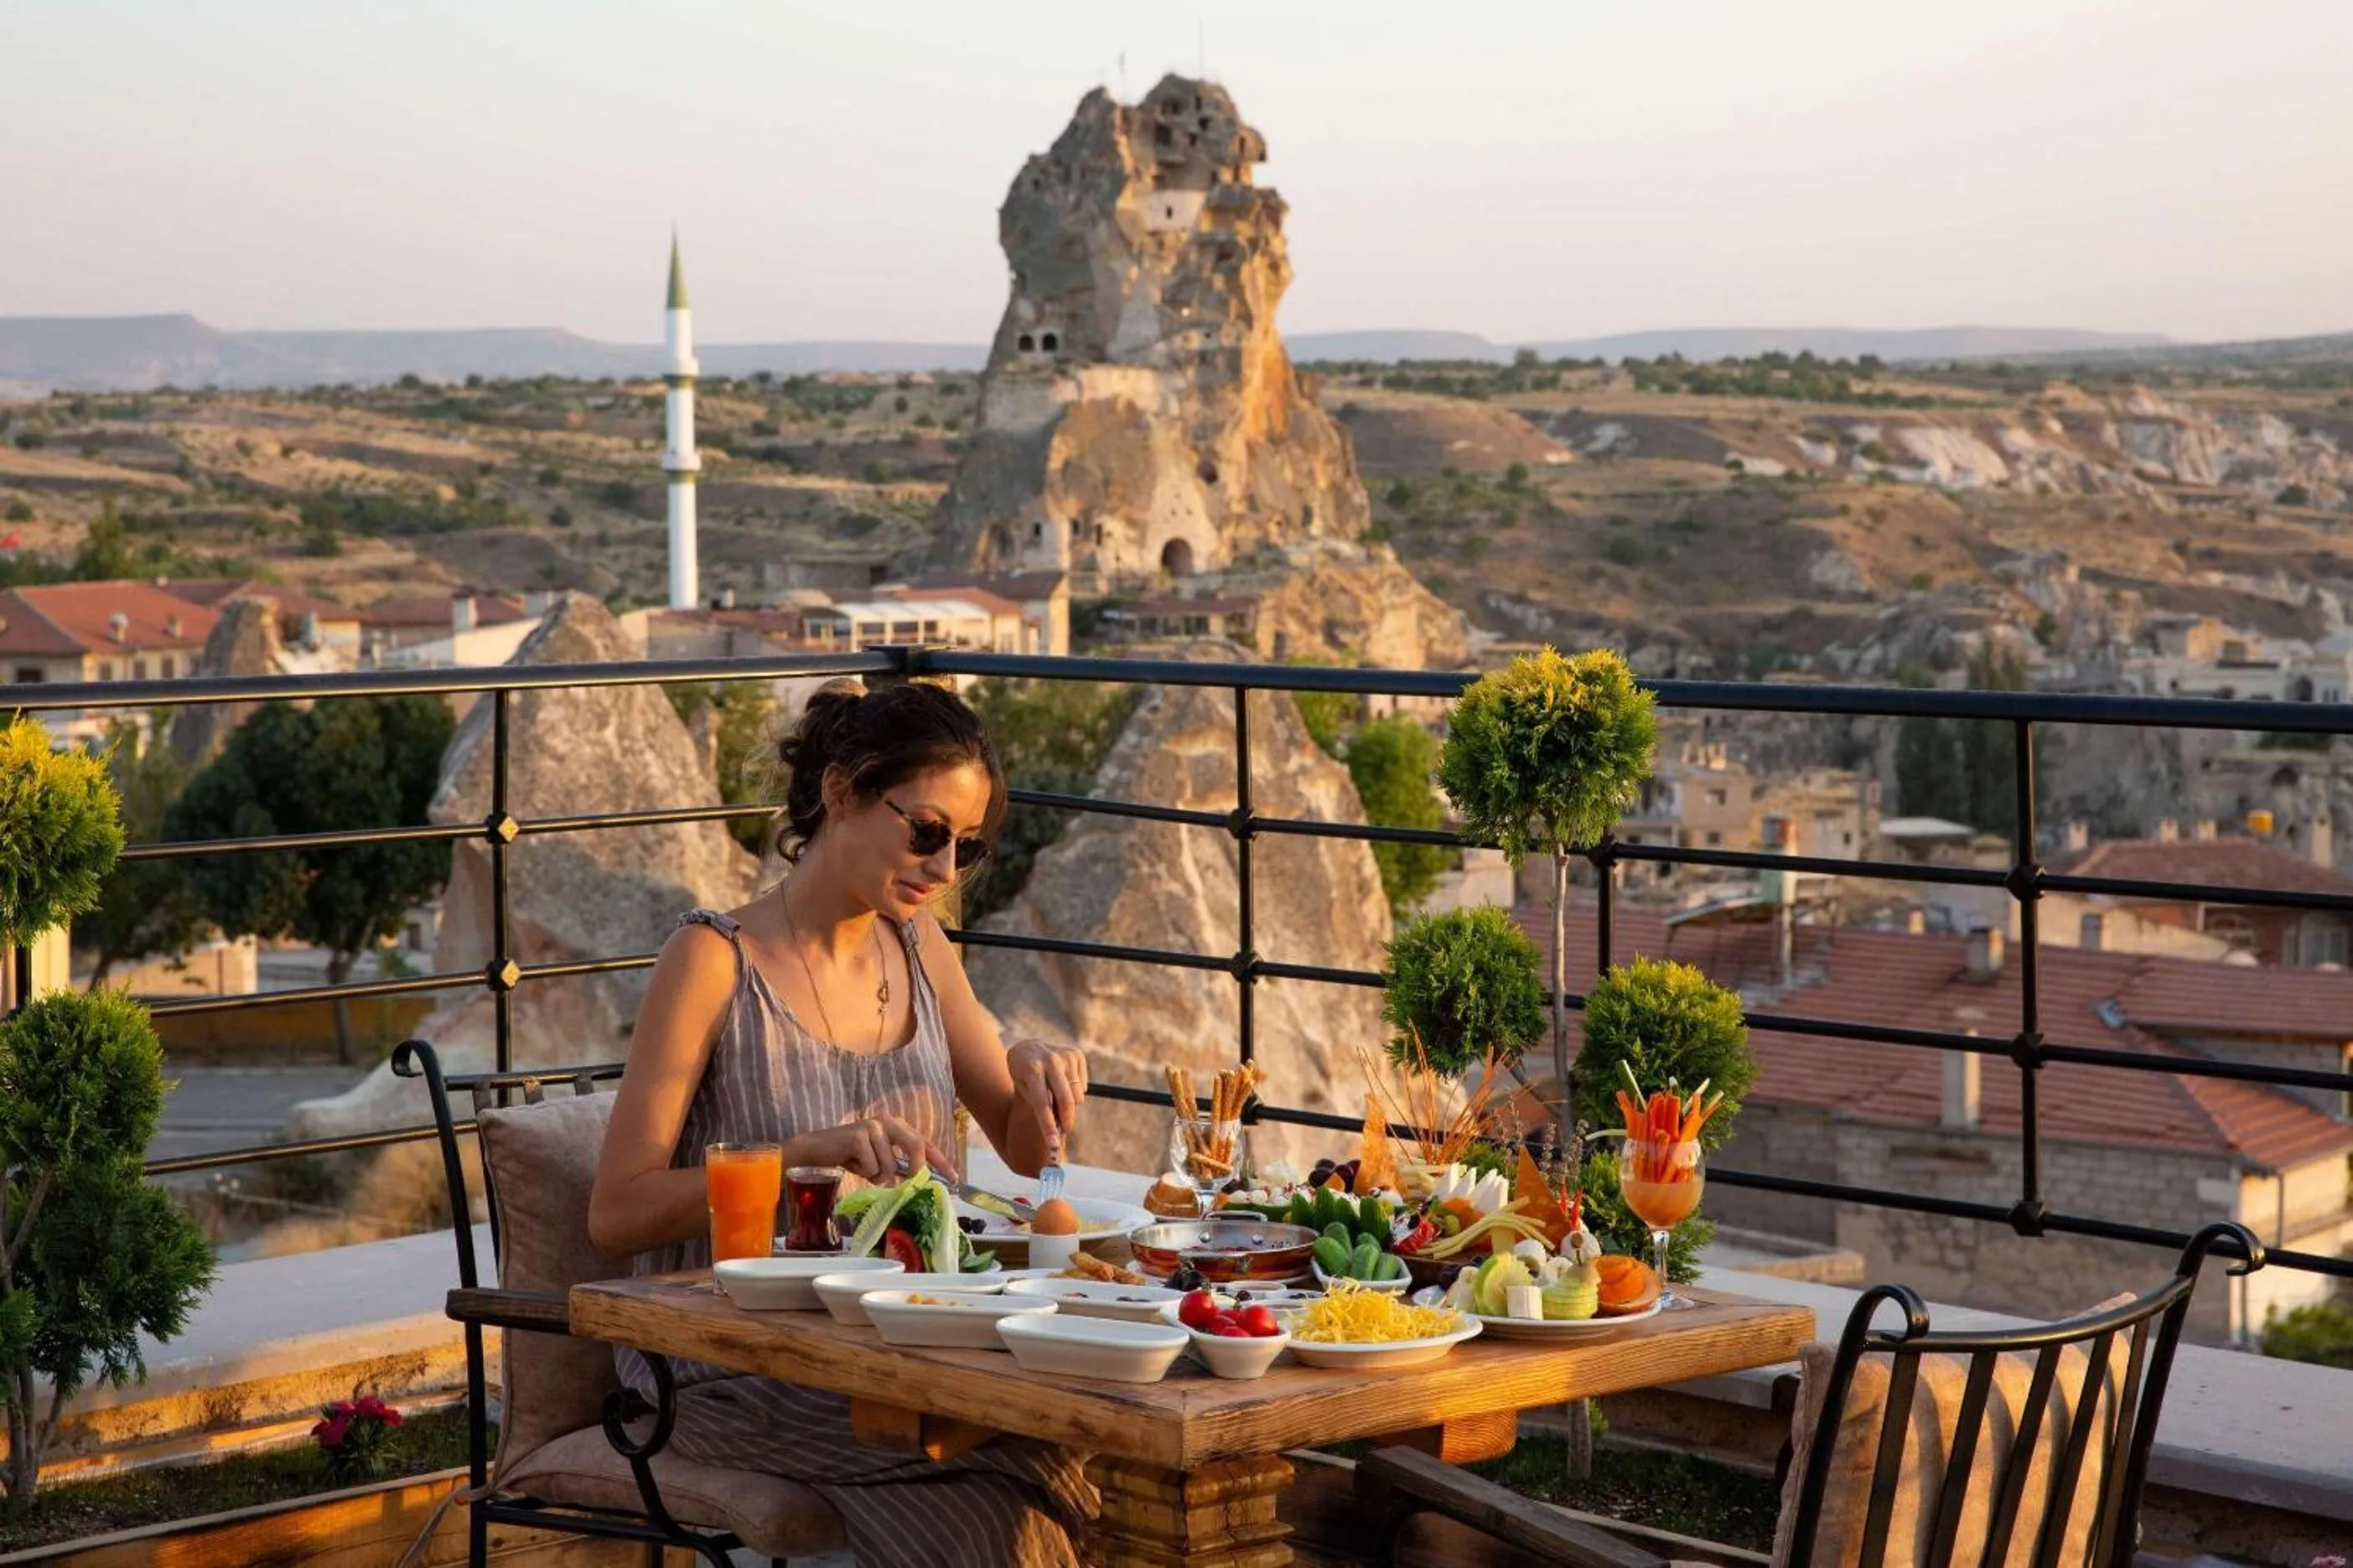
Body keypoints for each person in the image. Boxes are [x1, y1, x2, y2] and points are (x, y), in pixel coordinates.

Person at [588, 677, 1096, 1566]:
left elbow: (1022, 1148)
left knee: (1066, 1445)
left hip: (895, 1347)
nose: (943, 871)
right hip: (728, 1360)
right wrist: (799, 1159)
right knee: (1018, 1489)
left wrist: (1032, 1071)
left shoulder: (921, 947)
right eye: (927, 831)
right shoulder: (712, 959)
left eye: (965, 848)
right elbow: (617, 1213)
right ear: (841, 788)